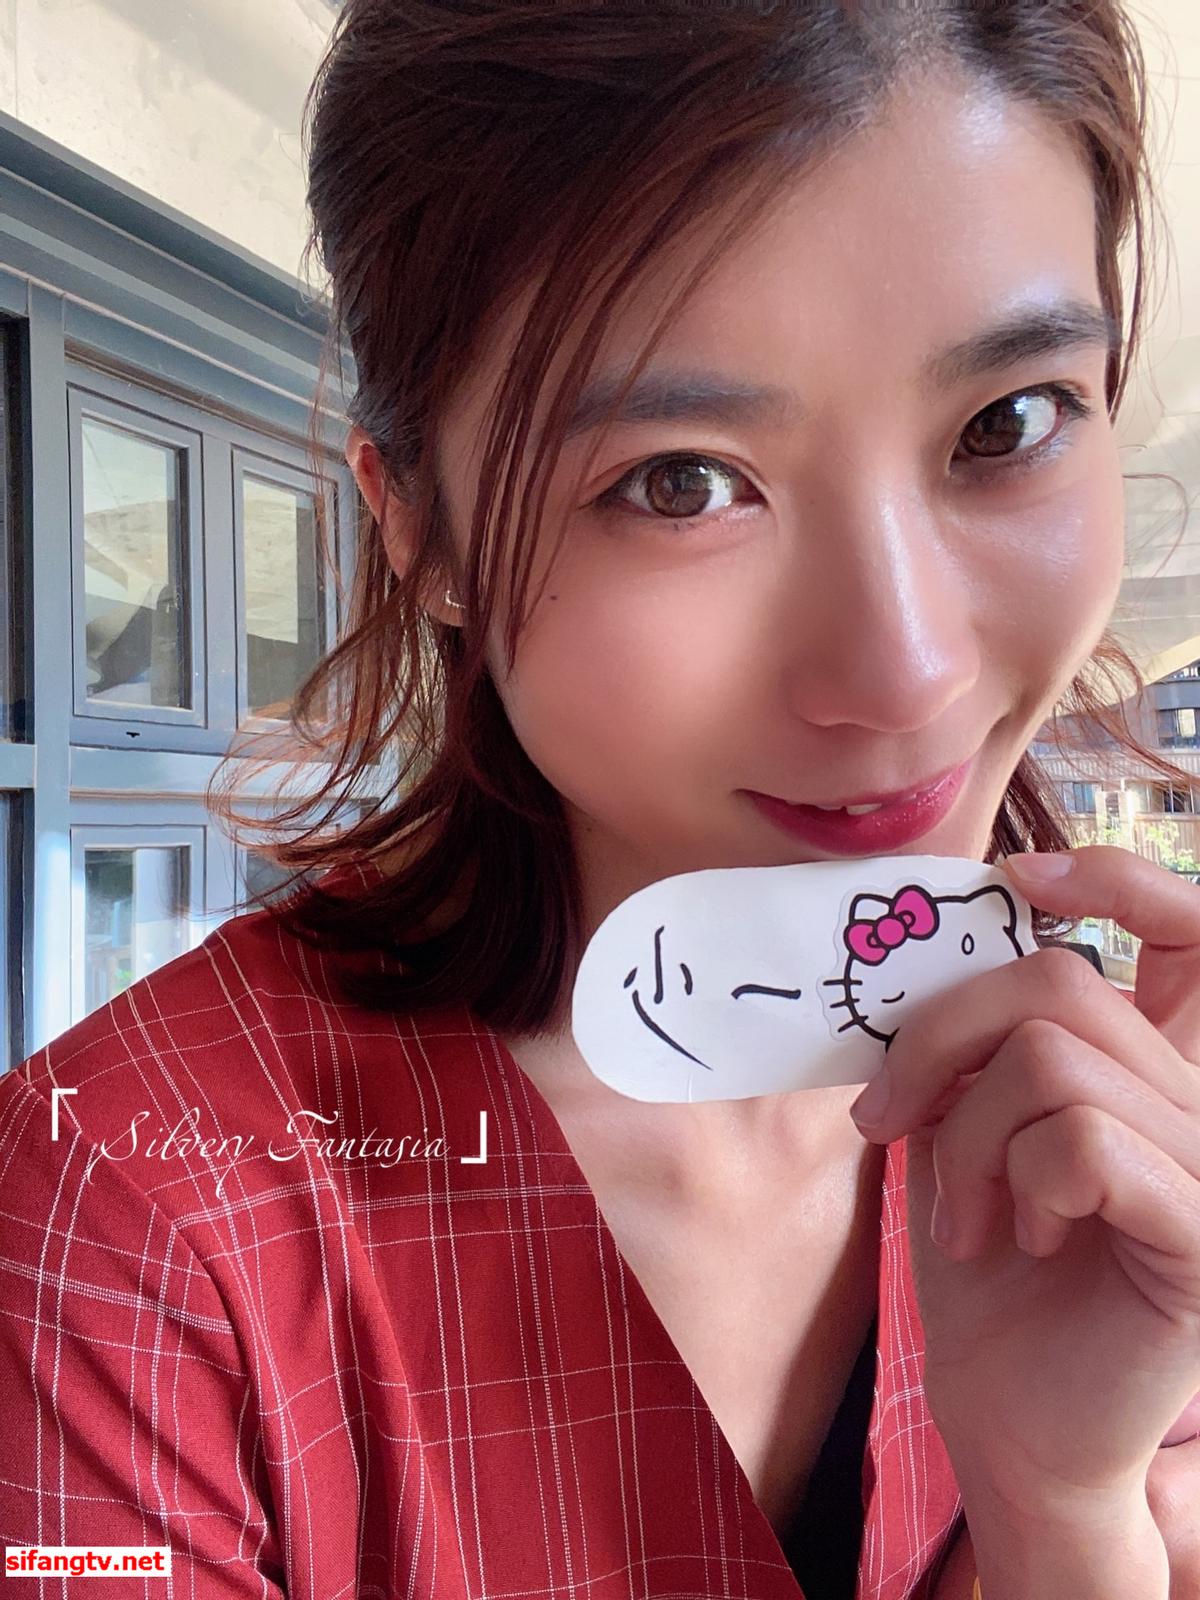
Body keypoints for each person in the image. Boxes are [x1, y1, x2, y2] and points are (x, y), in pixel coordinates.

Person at [2, 3, 1199, 1597]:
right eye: (679, 481)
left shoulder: (1136, 1133)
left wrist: (1065, 1512)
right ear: (419, 530)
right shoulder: (133, 1214)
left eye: (1009, 423)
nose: (905, 672)